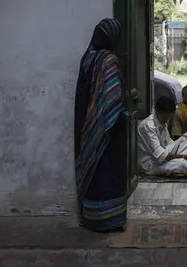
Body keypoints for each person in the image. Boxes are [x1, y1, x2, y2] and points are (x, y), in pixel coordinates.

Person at [74, 18, 128, 233]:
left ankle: (93, 218)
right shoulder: (109, 60)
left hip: (86, 128)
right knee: (108, 171)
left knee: (93, 168)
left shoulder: (87, 59)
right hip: (108, 127)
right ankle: (110, 219)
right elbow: (112, 97)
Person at [137, 96, 187, 177]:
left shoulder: (162, 119)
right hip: (151, 163)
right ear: (157, 111)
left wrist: (183, 153)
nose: (167, 118)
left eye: (170, 116)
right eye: (165, 116)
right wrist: (185, 157)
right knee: (181, 164)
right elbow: (161, 155)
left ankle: (179, 165)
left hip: (163, 155)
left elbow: (168, 142)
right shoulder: (148, 126)